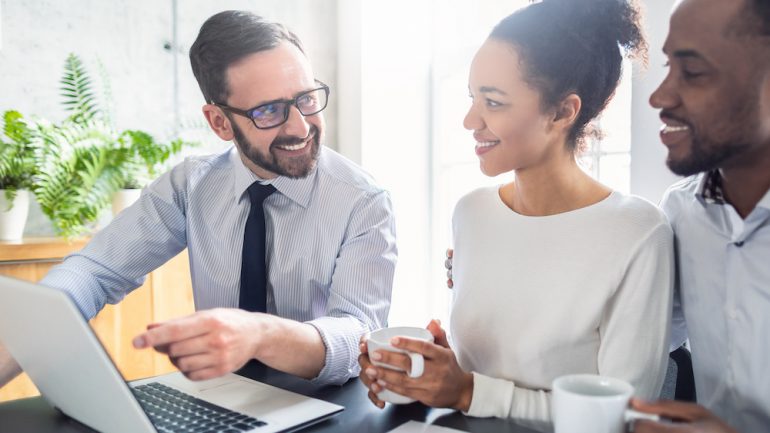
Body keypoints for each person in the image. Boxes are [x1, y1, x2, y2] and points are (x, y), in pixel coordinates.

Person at [0, 10, 397, 388]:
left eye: (307, 99)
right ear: (220, 122)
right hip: (223, 396)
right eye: (269, 111)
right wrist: (22, 337)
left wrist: (260, 334)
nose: (300, 126)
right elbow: (93, 271)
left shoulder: (363, 200)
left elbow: (356, 336)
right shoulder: (191, 185)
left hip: (329, 402)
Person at [358, 0, 674, 425]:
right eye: (473, 98)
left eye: (493, 102)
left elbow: (623, 418)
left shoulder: (637, 233)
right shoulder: (472, 213)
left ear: (563, 112)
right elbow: (483, 380)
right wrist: (431, 371)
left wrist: (468, 390)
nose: (470, 120)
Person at [630, 0, 770, 432]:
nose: (659, 96)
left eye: (692, 73)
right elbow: (647, 336)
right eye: (669, 67)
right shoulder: (681, 211)